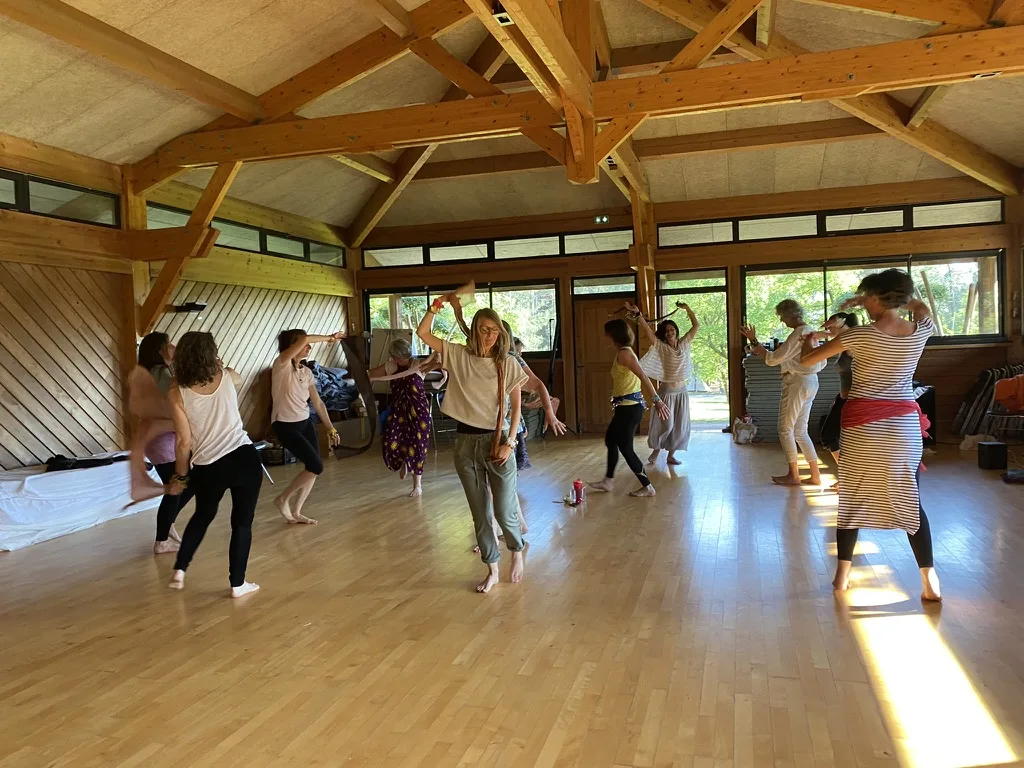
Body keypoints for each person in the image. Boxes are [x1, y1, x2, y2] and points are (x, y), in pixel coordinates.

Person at [800, 269, 940, 602]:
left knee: (853, 497)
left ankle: (841, 577)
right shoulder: (921, 330)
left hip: (863, 429)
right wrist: (900, 299)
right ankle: (929, 580)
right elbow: (921, 308)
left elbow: (807, 361)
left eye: (866, 297)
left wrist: (810, 337)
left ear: (877, 297)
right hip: (904, 428)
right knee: (910, 498)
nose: (863, 303)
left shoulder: (859, 336)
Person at [417, 297, 528, 594]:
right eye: (484, 329)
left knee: (504, 509)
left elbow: (516, 408)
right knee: (480, 512)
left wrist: (511, 443)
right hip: (465, 444)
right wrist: (436, 305)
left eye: (495, 330)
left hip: (498, 441)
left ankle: (517, 550)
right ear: (474, 330)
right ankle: (492, 569)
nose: (489, 335)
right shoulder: (458, 356)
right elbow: (424, 334)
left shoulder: (507, 363)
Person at [166, 332, 261, 598]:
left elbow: (183, 442)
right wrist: (219, 365)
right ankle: (237, 584)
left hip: (209, 466)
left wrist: (180, 477)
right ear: (212, 353)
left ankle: (180, 568)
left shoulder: (175, 392)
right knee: (242, 522)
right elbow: (236, 376)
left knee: (202, 515)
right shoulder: (227, 375)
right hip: (244, 458)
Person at [741, 300, 824, 486]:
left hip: (798, 383)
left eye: (781, 317)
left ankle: (793, 475)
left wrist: (754, 341)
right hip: (811, 381)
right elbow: (805, 359)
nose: (781, 321)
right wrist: (789, 367)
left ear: (790, 315)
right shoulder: (809, 331)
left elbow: (772, 359)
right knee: (800, 430)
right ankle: (815, 474)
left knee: (785, 429)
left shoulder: (798, 333)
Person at [589, 318, 670, 497]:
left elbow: (643, 377)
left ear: (613, 335)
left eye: (606, 334)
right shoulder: (622, 352)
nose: (604, 337)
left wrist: (657, 400)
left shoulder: (625, 354)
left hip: (630, 408)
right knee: (611, 440)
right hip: (625, 407)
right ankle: (608, 481)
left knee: (625, 448)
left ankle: (648, 487)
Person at [270, 328, 345, 524]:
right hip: (284, 424)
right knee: (316, 466)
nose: (309, 347)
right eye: (305, 344)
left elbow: (318, 403)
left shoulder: (307, 371)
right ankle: (283, 499)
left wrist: (330, 428)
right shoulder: (281, 364)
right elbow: (304, 339)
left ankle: (296, 511)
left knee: (313, 467)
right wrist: (330, 338)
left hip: (304, 422)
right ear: (293, 346)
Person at [137, 332, 195, 554]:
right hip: (162, 440)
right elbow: (176, 399)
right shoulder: (160, 373)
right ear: (160, 350)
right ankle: (162, 539)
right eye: (168, 344)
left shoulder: (154, 372)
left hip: (159, 438)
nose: (173, 346)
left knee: (183, 485)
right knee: (179, 486)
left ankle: (167, 524)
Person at [629, 302, 699, 466]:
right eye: (666, 331)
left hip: (682, 392)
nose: (670, 332)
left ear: (676, 331)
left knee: (679, 426)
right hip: (666, 393)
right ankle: (657, 450)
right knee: (666, 424)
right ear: (663, 334)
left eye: (672, 329)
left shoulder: (684, 344)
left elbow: (696, 326)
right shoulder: (661, 347)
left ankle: (671, 455)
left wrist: (687, 309)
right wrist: (639, 315)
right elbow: (647, 331)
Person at [368, 338, 439, 497]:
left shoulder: (418, 365)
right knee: (391, 440)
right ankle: (403, 462)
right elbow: (369, 375)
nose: (394, 359)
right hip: (399, 410)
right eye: (393, 357)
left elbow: (440, 363)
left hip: (418, 412)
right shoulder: (390, 367)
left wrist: (437, 357)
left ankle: (417, 485)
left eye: (396, 357)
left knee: (417, 445)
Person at [814, 312, 860, 488]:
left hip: (855, 400)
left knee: (831, 436)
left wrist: (837, 325)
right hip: (844, 399)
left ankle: (850, 480)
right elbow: (829, 336)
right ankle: (849, 478)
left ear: (842, 323)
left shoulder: (852, 343)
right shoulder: (842, 342)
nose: (828, 328)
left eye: (831, 324)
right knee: (829, 436)